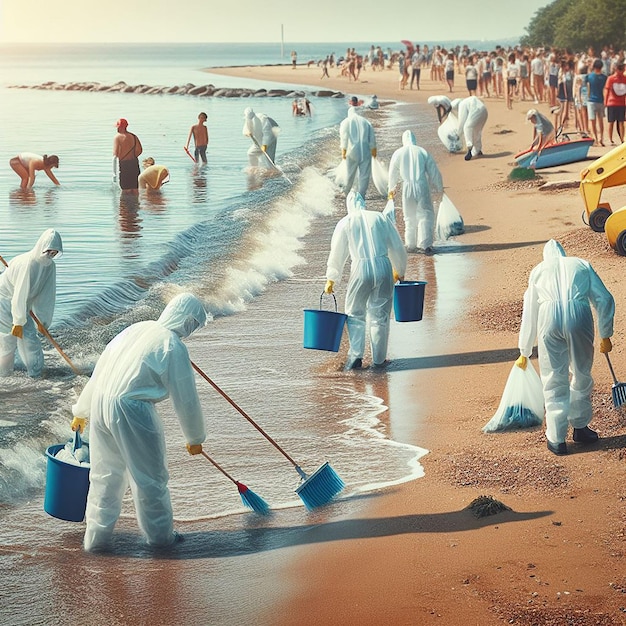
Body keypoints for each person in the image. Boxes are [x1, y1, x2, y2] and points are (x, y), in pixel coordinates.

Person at [70, 293, 208, 551]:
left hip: (101, 402)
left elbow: (100, 370)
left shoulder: (136, 329)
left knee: (105, 476)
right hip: (132, 410)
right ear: (186, 319)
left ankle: (95, 541)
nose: (193, 330)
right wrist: (195, 437)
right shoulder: (173, 345)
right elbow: (185, 398)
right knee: (150, 479)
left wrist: (82, 409)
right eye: (194, 324)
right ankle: (161, 539)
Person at [515, 240, 615, 456]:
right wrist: (605, 333)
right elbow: (604, 299)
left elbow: (530, 310)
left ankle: (557, 438)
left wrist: (524, 350)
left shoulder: (538, 270)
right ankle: (580, 427)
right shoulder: (580, 264)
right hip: (579, 317)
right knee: (581, 372)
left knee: (553, 377)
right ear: (564, 253)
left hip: (548, 319)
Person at [324, 191, 407, 370]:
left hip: (360, 270)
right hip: (384, 267)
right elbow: (396, 245)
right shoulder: (380, 218)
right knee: (380, 316)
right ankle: (379, 360)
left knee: (355, 313)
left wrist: (332, 277)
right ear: (364, 203)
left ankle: (356, 356)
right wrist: (399, 270)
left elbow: (337, 252)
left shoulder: (345, 222)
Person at [0, 229, 63, 377]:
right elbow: (19, 294)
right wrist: (18, 321)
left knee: (30, 339)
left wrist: (43, 322)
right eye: (48, 251)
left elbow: (46, 296)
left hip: (22, 306)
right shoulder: (27, 263)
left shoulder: (50, 267)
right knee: (8, 341)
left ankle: (36, 375)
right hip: (4, 302)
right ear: (42, 247)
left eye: (54, 253)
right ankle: (4, 378)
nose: (50, 255)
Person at [387, 130, 443, 253]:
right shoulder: (422, 151)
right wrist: (439, 187)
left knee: (409, 216)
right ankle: (425, 245)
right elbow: (433, 170)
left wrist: (391, 189)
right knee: (425, 214)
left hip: (406, 187)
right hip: (421, 185)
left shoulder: (398, 153)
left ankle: (410, 244)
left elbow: (392, 173)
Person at [339, 106, 377, 197]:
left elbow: (344, 137)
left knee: (350, 173)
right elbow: (372, 137)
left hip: (352, 152)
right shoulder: (366, 122)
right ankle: (362, 194)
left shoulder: (346, 122)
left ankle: (346, 192)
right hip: (365, 151)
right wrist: (373, 148)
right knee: (364, 174)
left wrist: (343, 149)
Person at [454, 96, 489, 160]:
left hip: (477, 111)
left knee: (467, 127)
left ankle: (469, 150)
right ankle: (478, 150)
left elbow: (462, 122)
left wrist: (458, 135)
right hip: (484, 111)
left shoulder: (462, 104)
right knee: (477, 131)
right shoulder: (468, 100)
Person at [113, 118, 143, 194]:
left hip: (124, 165)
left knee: (125, 191)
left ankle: (124, 205)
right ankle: (136, 205)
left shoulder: (117, 137)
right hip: (134, 164)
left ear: (120, 127)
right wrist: (132, 155)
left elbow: (115, 154)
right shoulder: (134, 136)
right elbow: (140, 150)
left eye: (118, 127)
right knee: (135, 190)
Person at [585, 58, 608, 146]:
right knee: (600, 120)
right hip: (600, 100)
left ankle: (595, 138)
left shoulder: (590, 76)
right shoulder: (604, 77)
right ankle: (601, 138)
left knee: (592, 121)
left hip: (591, 100)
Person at [604, 59, 626, 144]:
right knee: (611, 122)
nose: (620, 71)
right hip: (612, 103)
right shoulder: (611, 79)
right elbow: (607, 90)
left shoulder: (624, 79)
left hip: (622, 103)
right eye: (619, 69)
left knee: (621, 122)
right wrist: (605, 102)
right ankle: (610, 139)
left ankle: (622, 139)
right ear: (616, 69)